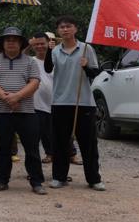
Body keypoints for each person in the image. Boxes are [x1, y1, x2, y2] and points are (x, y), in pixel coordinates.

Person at [45, 15, 105, 191]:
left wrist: (86, 66)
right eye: (61, 27)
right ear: (58, 31)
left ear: (75, 29)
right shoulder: (55, 51)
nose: (65, 29)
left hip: (84, 102)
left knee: (88, 143)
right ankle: (59, 177)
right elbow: (48, 68)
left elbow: (95, 73)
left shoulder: (86, 49)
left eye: (68, 26)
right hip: (60, 102)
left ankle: (94, 179)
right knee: (60, 142)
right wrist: (48, 51)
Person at [0, 27, 45, 195]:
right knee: (3, 148)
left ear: (21, 43)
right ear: (2, 43)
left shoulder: (30, 62)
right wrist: (7, 99)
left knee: (32, 148)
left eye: (14, 40)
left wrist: (17, 97)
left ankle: (36, 182)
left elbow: (34, 83)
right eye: (7, 40)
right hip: (2, 112)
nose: (11, 42)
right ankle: (2, 181)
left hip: (26, 112)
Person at [30, 33, 54, 164]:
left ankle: (69, 154)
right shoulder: (30, 61)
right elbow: (18, 56)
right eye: (36, 44)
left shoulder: (56, 59)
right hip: (36, 104)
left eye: (42, 43)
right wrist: (28, 44)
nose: (39, 46)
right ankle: (44, 157)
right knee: (37, 134)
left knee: (58, 133)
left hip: (56, 103)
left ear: (48, 43)